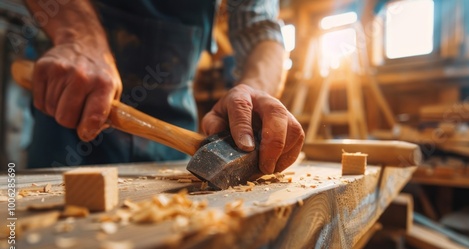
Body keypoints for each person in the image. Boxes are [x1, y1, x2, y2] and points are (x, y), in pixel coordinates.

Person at [24, 0, 304, 175]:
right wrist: (79, 36)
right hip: (71, 117)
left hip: (172, 144)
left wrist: (255, 89)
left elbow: (261, 31)